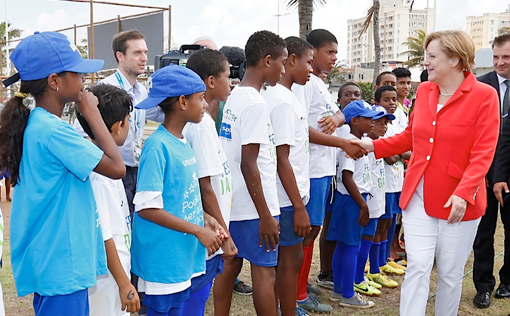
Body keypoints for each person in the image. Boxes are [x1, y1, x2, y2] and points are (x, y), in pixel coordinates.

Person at [356, 30, 500, 316]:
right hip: (418, 194)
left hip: (458, 203)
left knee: (448, 274)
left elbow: (483, 152)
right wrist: (372, 146)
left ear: (456, 60)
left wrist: (464, 192)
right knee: (418, 267)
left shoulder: (485, 96)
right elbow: (411, 136)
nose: (426, 62)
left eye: (432, 56)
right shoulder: (425, 91)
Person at [0, 31, 125, 315]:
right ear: (54, 81)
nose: (83, 81)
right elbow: (117, 167)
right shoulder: (54, 131)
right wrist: (91, 112)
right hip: (61, 263)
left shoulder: (38, 123)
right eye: (77, 73)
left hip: (54, 260)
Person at [131, 65, 225, 316]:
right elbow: (148, 208)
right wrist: (197, 230)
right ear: (183, 102)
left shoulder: (182, 143)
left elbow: (180, 196)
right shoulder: (157, 146)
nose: (205, 105)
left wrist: (205, 218)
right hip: (162, 262)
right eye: (200, 98)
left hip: (180, 258)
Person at [291, 29, 365, 314]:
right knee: (306, 231)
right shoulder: (304, 82)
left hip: (323, 169)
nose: (335, 58)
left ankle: (300, 286)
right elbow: (302, 129)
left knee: (313, 229)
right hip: (308, 170)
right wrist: (342, 140)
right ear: (312, 52)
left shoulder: (319, 83)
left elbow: (334, 118)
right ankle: (296, 293)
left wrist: (339, 117)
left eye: (336, 52)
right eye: (330, 52)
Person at [216, 30, 286, 316]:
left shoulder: (235, 96)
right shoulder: (256, 103)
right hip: (257, 208)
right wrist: (266, 215)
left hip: (235, 203)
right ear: (267, 61)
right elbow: (249, 162)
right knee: (265, 273)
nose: (283, 69)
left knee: (230, 265)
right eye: (281, 62)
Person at [77, 84, 140, 315]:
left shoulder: (107, 166)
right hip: (106, 282)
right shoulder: (100, 177)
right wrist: (124, 283)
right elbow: (105, 236)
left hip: (114, 275)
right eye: (128, 121)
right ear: (118, 126)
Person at [182, 48, 237, 315]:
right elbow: (205, 188)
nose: (232, 82)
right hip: (209, 234)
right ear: (211, 81)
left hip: (212, 230)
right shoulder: (200, 125)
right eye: (228, 76)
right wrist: (224, 235)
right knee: (196, 297)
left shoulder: (205, 120)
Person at [264, 36, 313, 316]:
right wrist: (298, 206)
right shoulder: (281, 101)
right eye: (308, 61)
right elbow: (282, 159)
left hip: (289, 195)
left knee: (289, 257)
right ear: (291, 60)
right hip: (285, 198)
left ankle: (287, 308)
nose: (310, 68)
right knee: (288, 258)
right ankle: (287, 311)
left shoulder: (287, 97)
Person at [328, 100, 381, 309]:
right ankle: (348, 294)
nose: (372, 122)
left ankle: (339, 290)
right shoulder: (351, 143)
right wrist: (362, 205)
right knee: (351, 246)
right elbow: (348, 177)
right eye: (368, 119)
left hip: (352, 200)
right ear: (355, 120)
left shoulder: (360, 140)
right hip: (352, 200)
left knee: (344, 245)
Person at [473, 32, 510, 309]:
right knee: (484, 233)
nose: (499, 62)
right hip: (482, 173)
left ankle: (507, 282)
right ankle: (483, 286)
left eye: (506, 57)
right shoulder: (478, 86)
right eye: (496, 57)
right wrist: (480, 170)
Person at [318, 82, 363, 291]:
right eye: (347, 95)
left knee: (339, 231)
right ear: (339, 100)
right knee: (329, 227)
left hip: (344, 185)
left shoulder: (357, 127)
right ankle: (325, 271)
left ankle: (338, 272)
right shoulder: (336, 127)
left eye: (357, 94)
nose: (352, 98)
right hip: (335, 182)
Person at [374, 85, 407, 275]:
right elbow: (390, 156)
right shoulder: (380, 125)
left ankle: (384, 259)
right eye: (386, 100)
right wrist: (398, 151)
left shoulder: (393, 125)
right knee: (381, 223)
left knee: (390, 222)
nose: (392, 103)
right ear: (377, 102)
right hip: (383, 184)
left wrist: (399, 152)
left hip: (395, 183)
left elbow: (403, 151)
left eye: (394, 100)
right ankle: (376, 263)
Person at [365, 106, 400, 290]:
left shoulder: (379, 140)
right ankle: (370, 270)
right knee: (373, 230)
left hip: (385, 190)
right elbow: (392, 158)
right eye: (378, 122)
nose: (383, 126)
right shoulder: (366, 144)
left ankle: (378, 265)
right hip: (372, 198)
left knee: (385, 225)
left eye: (385, 123)